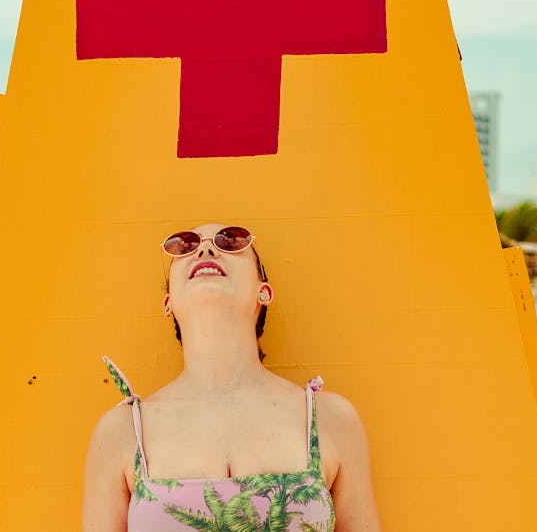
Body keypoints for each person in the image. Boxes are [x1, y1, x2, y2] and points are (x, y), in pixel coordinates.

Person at [82, 223, 380, 531]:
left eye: (230, 242)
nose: (206, 249)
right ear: (168, 302)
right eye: (184, 246)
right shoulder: (123, 432)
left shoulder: (329, 418)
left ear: (263, 291)